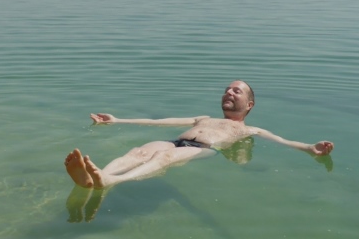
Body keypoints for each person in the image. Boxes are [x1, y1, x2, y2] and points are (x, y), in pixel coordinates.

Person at [64, 80, 334, 189]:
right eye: (227, 90)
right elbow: (161, 122)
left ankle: (110, 181)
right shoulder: (204, 118)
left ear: (249, 104)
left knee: (163, 158)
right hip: (176, 141)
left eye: (236, 91)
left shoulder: (250, 129)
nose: (229, 92)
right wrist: (118, 120)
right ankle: (96, 176)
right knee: (139, 152)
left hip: (205, 149)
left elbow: (283, 141)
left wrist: (310, 148)